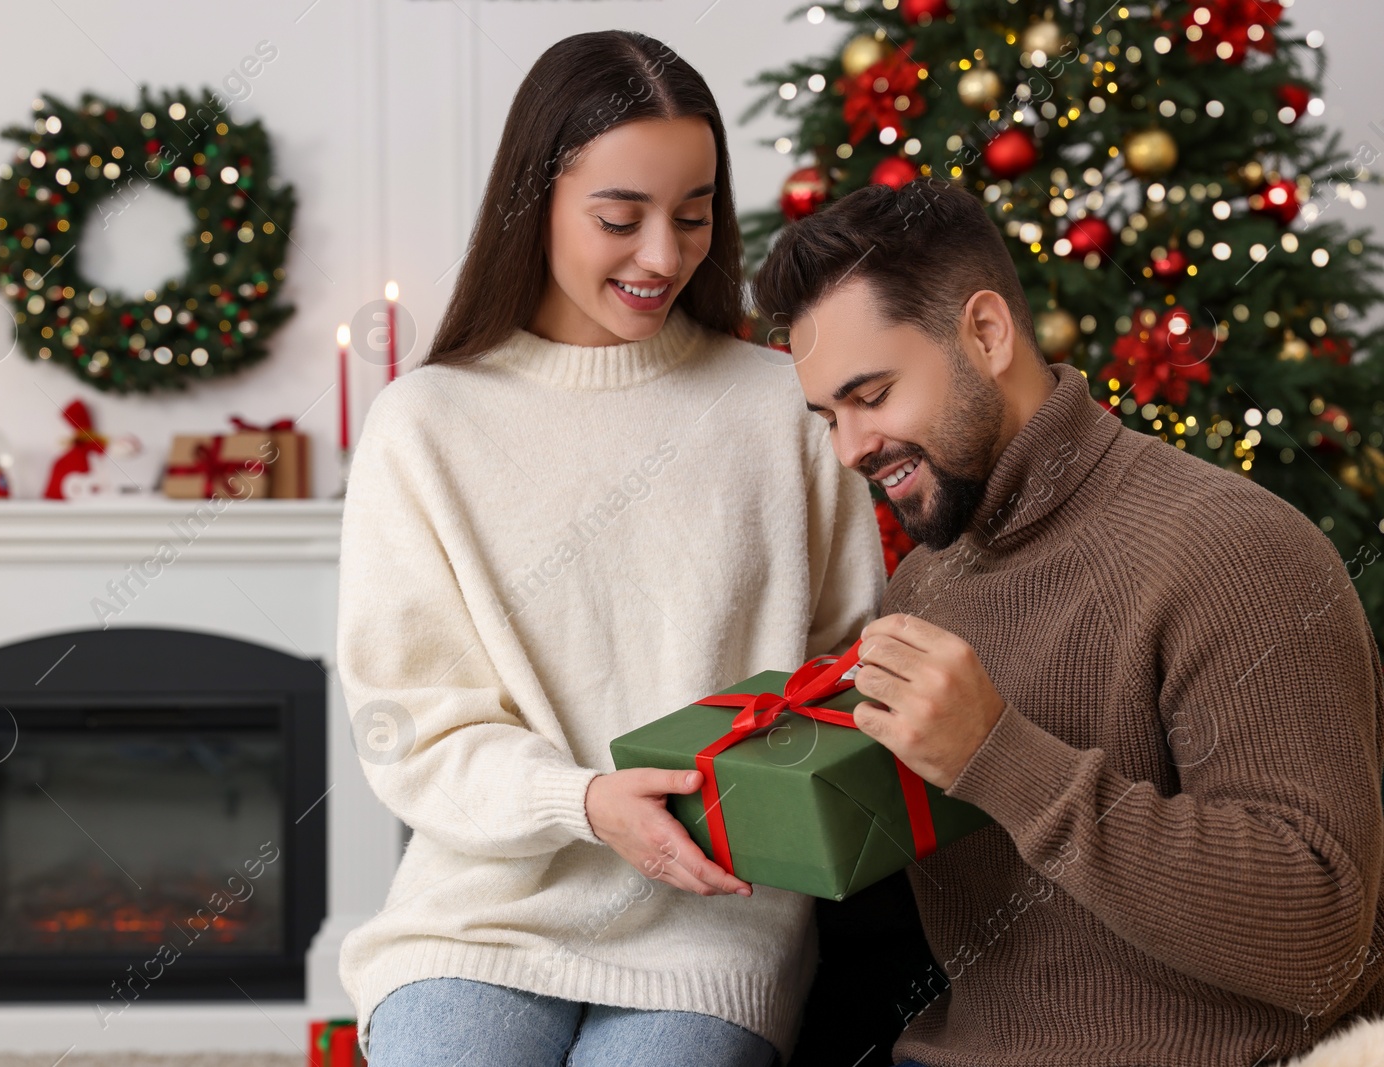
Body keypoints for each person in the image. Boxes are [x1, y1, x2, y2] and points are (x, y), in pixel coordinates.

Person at [335, 31, 886, 1066]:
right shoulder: (425, 423)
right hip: (476, 919)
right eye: (619, 219)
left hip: (713, 919)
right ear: (532, 201)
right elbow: (408, 721)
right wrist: (582, 801)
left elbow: (846, 668)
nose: (664, 258)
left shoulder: (779, 405)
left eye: (692, 215)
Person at [753, 177, 1384, 1065]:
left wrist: (1000, 754)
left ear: (986, 332)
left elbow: (1319, 932)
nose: (851, 448)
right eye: (828, 416)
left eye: (875, 393)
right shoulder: (919, 593)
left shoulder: (1236, 551)